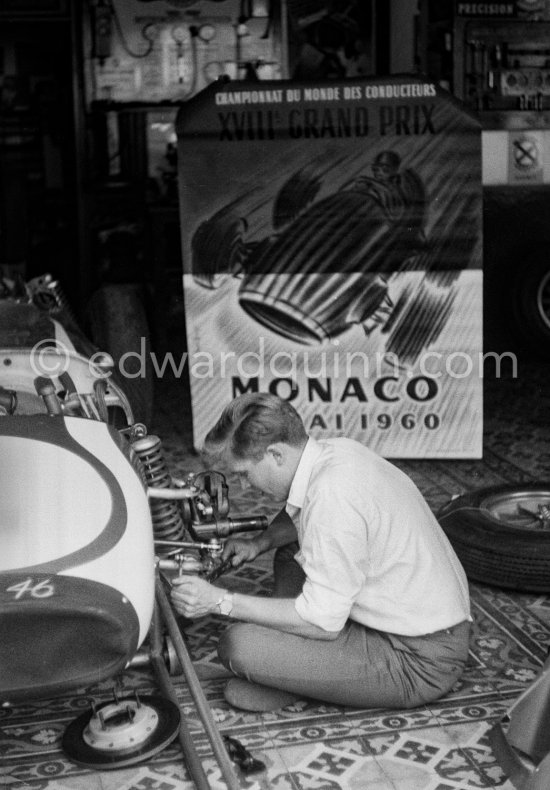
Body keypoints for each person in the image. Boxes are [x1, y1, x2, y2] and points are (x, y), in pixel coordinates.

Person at [170, 393, 471, 712]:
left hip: (417, 660)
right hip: (422, 622)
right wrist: (258, 543)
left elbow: (322, 623)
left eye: (245, 474)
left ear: (275, 454)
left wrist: (218, 601)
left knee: (237, 645)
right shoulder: (336, 451)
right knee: (290, 549)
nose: (245, 487)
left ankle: (297, 669)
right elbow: (304, 511)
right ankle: (299, 667)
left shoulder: (332, 497)